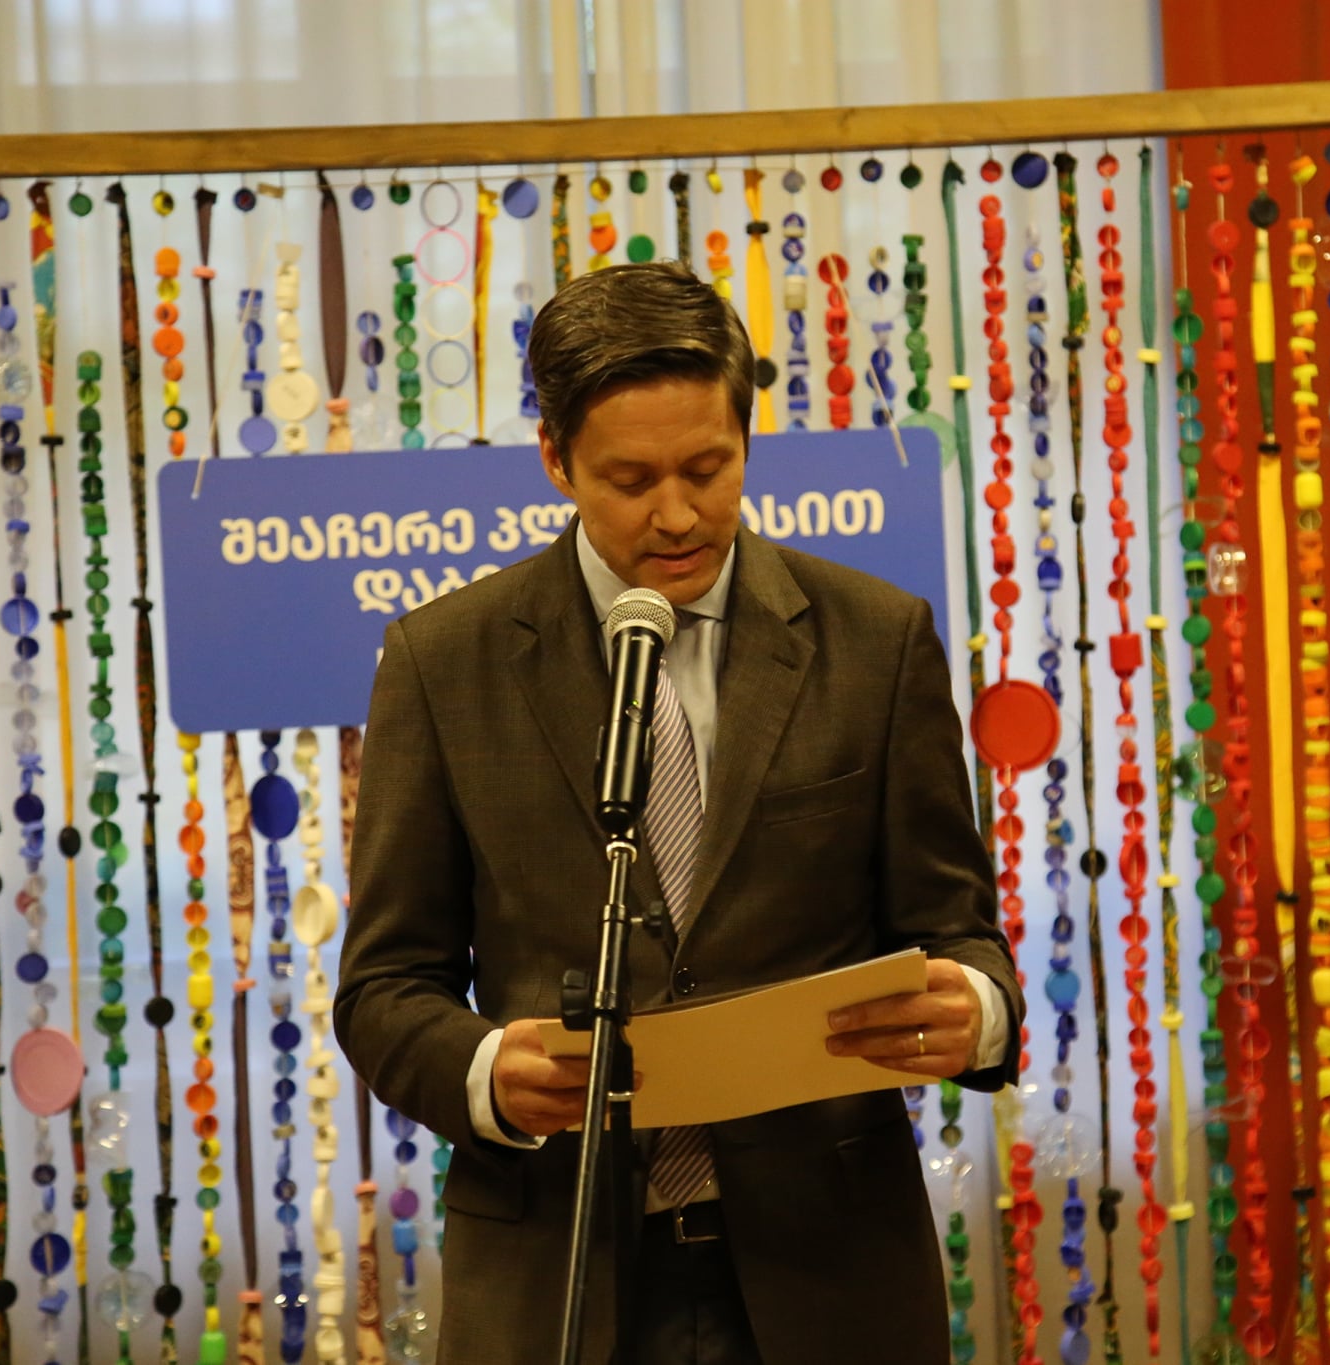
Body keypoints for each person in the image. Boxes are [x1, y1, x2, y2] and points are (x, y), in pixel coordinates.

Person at [335, 260, 1021, 1365]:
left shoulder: (874, 639)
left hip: (829, 1275)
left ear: (746, 438)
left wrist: (977, 1011)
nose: (678, 513)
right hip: (556, 1274)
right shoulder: (443, 660)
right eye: (630, 479)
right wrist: (483, 1070)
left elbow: (959, 933)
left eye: (709, 468)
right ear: (555, 459)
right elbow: (381, 987)